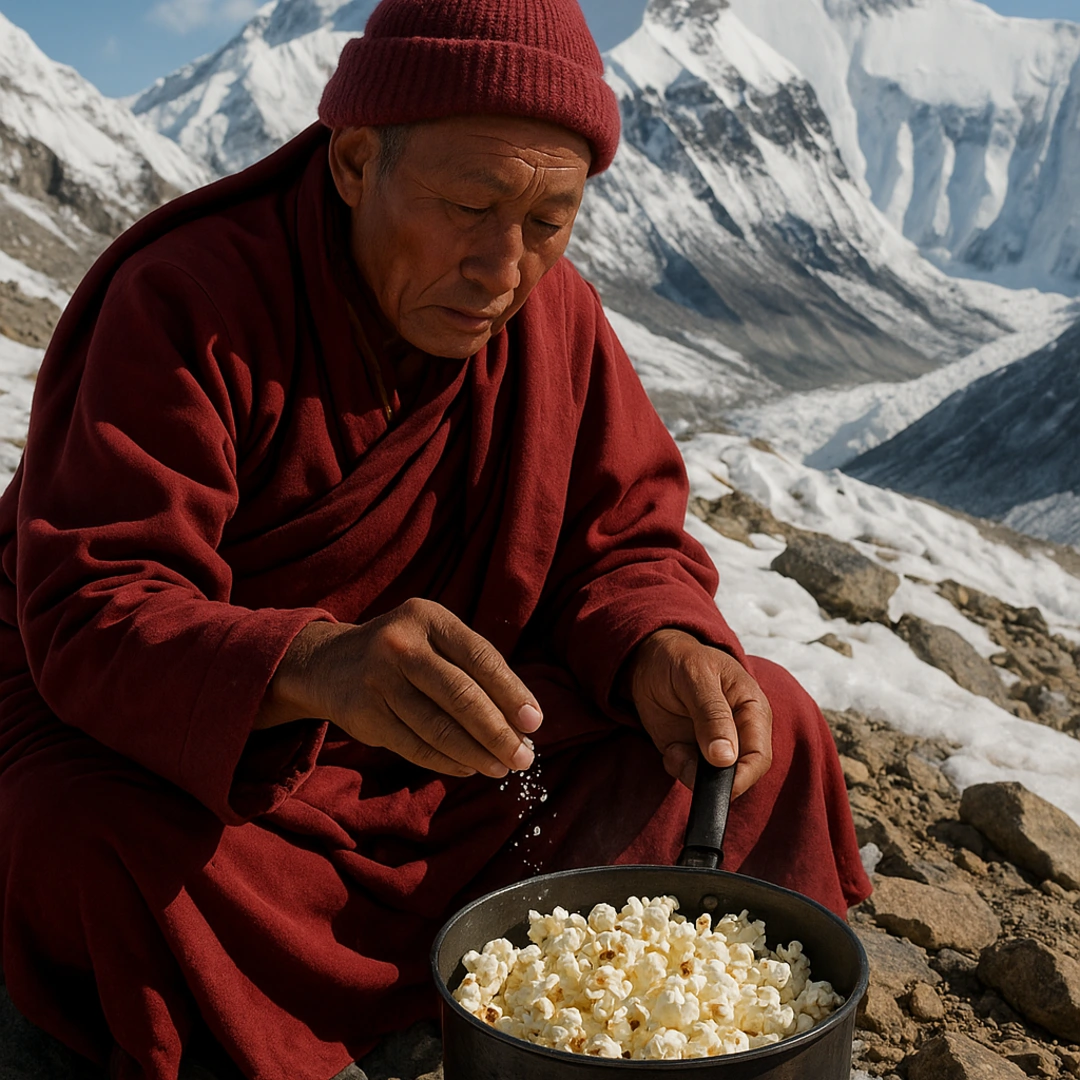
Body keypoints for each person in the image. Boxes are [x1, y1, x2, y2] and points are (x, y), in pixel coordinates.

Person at [0, 1, 871, 1078]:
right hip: (236, 780)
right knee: (77, 836)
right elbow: (98, 610)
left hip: (464, 769)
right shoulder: (190, 303)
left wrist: (661, 645)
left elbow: (622, 543)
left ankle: (614, 1003)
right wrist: (316, 664)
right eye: (470, 206)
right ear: (357, 162)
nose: (503, 269)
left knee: (762, 721)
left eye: (550, 224)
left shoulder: (555, 323)